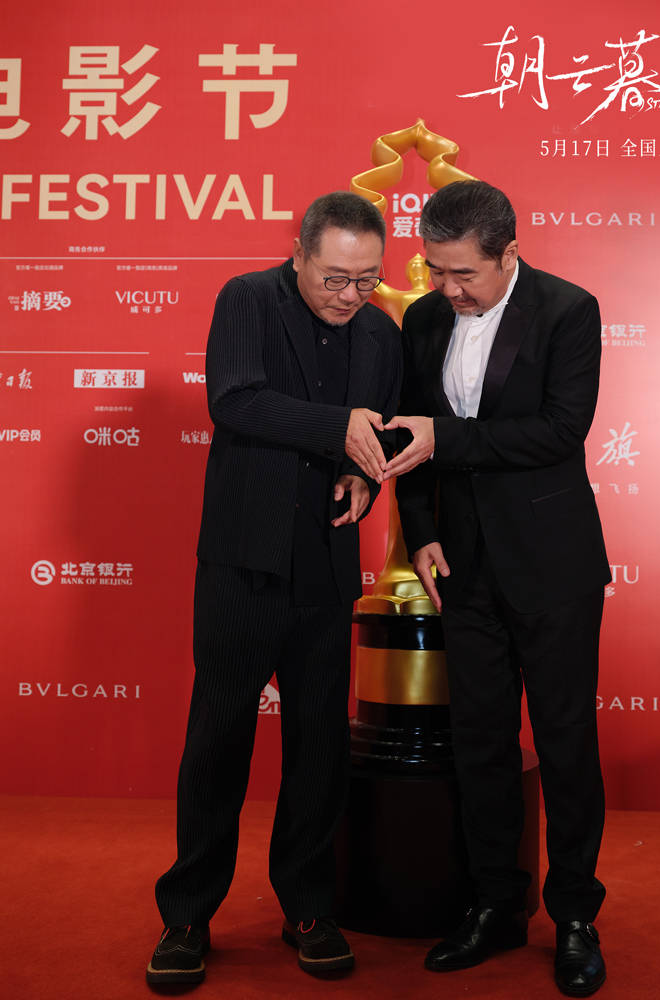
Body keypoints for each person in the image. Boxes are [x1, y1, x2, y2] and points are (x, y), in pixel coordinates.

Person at [147, 192, 402, 986]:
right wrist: (338, 429)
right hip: (243, 562)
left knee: (319, 746)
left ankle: (309, 907)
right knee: (218, 739)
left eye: (366, 280)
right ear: (299, 255)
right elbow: (235, 399)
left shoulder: (383, 334)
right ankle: (188, 914)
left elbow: (380, 430)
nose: (349, 296)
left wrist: (364, 478)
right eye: (334, 278)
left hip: (325, 563)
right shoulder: (249, 300)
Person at [385, 180, 610, 997]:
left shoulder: (568, 310)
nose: (447, 288)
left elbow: (559, 431)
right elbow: (408, 437)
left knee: (564, 742)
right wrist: (422, 531)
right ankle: (494, 905)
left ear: (509, 252)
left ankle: (575, 916)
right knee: (479, 743)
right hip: (463, 566)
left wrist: (447, 438)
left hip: (553, 566)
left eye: (464, 274)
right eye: (435, 270)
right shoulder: (421, 319)